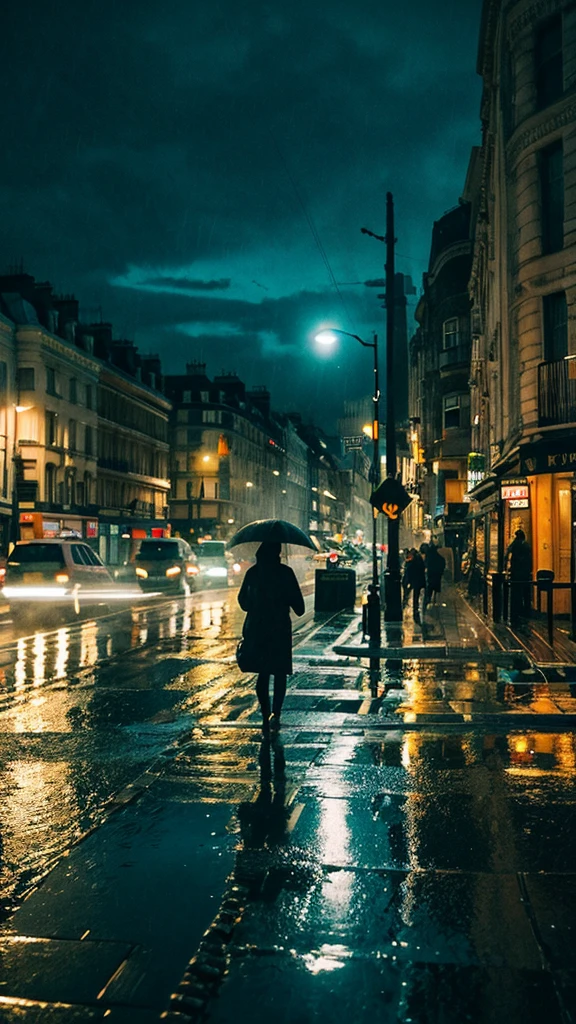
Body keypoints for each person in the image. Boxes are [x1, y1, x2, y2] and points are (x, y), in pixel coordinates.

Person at [238, 541, 305, 734]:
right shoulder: (286, 573)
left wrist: (256, 602)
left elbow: (243, 601)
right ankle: (276, 713)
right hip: (279, 628)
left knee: (263, 672)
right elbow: (300, 608)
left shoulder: (253, 573)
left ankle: (265, 715)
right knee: (279, 672)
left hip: (257, 627)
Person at [506, 529, 532, 623]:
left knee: (516, 594)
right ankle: (526, 611)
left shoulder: (515, 544)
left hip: (516, 573)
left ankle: (516, 612)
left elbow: (508, 552)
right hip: (525, 573)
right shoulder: (526, 545)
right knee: (525, 593)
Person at [404, 547, 426, 622]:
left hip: (415, 580)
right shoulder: (419, 559)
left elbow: (410, 570)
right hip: (419, 580)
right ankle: (415, 608)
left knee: (415, 594)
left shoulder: (414, 560)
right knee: (417, 594)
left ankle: (414, 608)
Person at [424, 543, 446, 608]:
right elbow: (442, 563)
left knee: (429, 588)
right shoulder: (439, 558)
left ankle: (428, 600)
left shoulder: (429, 556)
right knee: (436, 587)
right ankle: (434, 600)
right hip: (437, 575)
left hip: (431, 574)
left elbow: (426, 563)